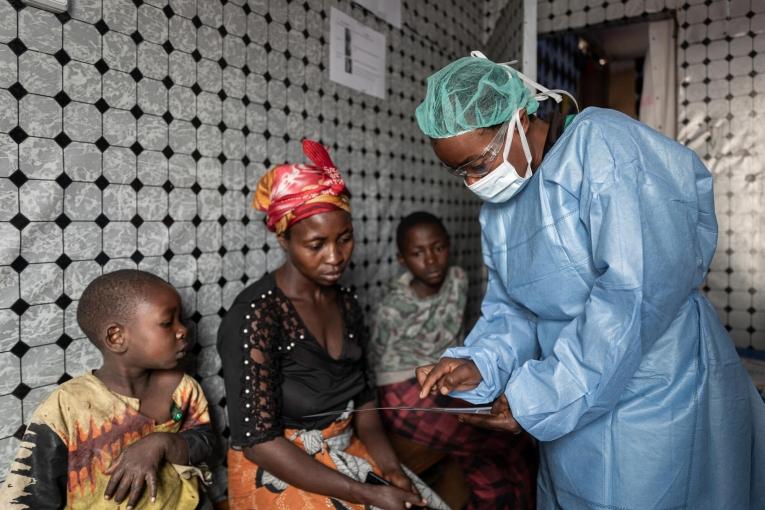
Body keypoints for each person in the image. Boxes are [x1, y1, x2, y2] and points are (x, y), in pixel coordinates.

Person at [413, 52, 765, 509]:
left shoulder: (604, 147)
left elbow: (633, 296)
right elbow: (514, 308)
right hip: (568, 404)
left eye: (478, 162)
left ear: (518, 118)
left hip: (656, 395)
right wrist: (482, 362)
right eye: (459, 171)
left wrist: (540, 396)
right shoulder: (500, 212)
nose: (473, 181)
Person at [217, 140, 447, 510]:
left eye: (344, 239)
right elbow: (260, 443)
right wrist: (365, 493)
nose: (335, 257)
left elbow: (365, 404)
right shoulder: (256, 315)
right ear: (284, 239)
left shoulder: (347, 303)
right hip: (280, 468)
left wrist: (392, 469)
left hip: (345, 449)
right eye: (316, 244)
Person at [0, 269, 215, 510]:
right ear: (116, 337)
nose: (183, 330)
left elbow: (205, 443)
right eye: (167, 323)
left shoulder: (183, 389)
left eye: (181, 320)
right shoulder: (68, 407)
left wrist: (162, 443)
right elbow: (31, 497)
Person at [369, 210, 537, 509]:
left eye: (438, 248)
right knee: (507, 440)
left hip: (446, 375)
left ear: (449, 246)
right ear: (402, 260)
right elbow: (382, 371)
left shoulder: (458, 279)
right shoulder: (393, 307)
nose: (431, 260)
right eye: (418, 253)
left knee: (496, 460)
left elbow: (457, 339)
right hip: (404, 389)